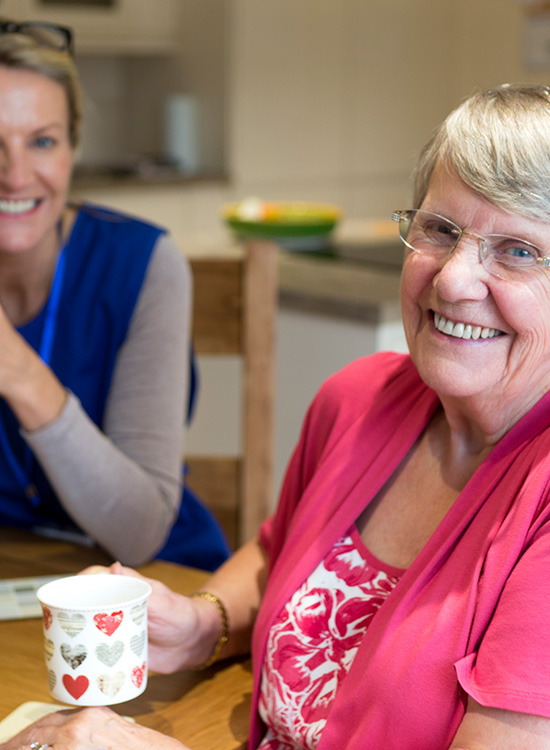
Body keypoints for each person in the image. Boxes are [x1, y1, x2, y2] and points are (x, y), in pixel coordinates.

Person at [9, 81, 550, 749]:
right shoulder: (361, 397)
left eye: (519, 251)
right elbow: (280, 550)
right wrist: (205, 622)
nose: (452, 280)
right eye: (440, 230)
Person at [0, 18, 229, 571]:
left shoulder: (143, 265)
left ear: (73, 149)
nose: (14, 174)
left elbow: (142, 528)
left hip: (144, 585)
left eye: (43, 142)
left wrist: (20, 374)